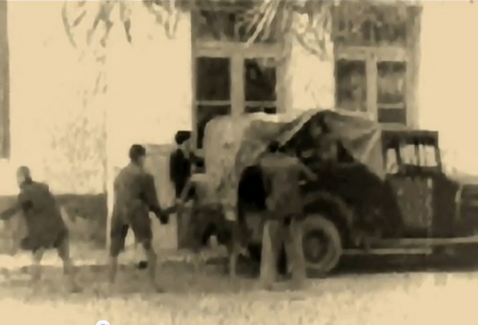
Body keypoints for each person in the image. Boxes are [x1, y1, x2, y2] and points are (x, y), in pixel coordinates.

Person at [0, 166, 80, 292]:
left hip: (44, 232)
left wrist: (2, 215)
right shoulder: (43, 188)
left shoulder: (25, 193)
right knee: (66, 257)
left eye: (17, 177)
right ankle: (73, 285)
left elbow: (14, 209)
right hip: (59, 226)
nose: (17, 180)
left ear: (22, 177)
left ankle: (34, 286)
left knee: (36, 259)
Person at [109, 144, 173, 292]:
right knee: (148, 247)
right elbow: (152, 202)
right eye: (144, 156)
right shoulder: (145, 176)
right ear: (140, 157)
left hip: (118, 211)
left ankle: (110, 283)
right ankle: (153, 284)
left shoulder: (120, 175)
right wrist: (162, 215)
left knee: (114, 250)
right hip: (136, 212)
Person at [259, 141, 317, 290]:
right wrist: (299, 182)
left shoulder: (265, 163)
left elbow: (264, 186)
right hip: (293, 207)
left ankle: (268, 281)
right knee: (294, 243)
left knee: (271, 245)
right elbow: (312, 177)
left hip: (274, 207)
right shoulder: (294, 162)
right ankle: (299, 280)